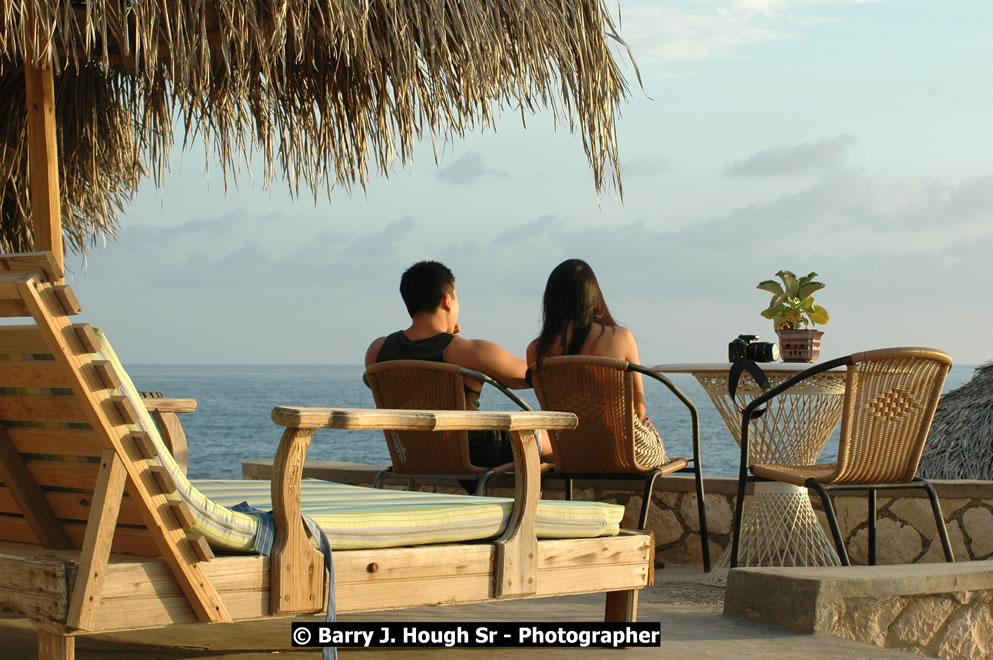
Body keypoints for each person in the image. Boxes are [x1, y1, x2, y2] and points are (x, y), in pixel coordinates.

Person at [366, 260, 550, 468]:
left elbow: (416, 376)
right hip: (474, 457)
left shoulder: (377, 351)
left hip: (415, 457)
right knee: (555, 439)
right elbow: (535, 374)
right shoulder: (466, 352)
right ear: (447, 301)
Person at [526, 258, 667, 467]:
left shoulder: (537, 349)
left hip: (571, 454)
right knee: (650, 432)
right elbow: (638, 409)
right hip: (621, 453)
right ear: (594, 296)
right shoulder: (620, 338)